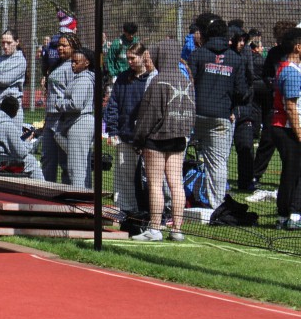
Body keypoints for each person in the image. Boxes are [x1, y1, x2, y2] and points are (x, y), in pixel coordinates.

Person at [132, 39, 196, 241]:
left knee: (155, 185)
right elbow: (192, 112)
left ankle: (155, 228)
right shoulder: (186, 80)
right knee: (176, 184)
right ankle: (177, 229)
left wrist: (138, 140)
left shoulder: (158, 82)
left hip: (157, 140)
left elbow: (147, 116)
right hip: (178, 139)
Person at [188, 13, 248, 208]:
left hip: (195, 114)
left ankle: (172, 201)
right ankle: (217, 205)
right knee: (218, 163)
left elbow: (189, 83)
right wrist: (231, 106)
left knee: (175, 156)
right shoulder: (235, 58)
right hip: (221, 116)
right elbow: (241, 91)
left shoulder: (198, 54)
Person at [105, 42, 154, 220]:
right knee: (123, 175)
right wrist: (112, 131)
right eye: (128, 59)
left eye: (133, 58)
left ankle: (147, 210)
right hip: (124, 135)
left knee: (146, 177)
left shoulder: (152, 78)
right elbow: (113, 105)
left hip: (145, 138)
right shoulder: (123, 77)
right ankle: (125, 209)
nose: (130, 62)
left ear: (143, 56)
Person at [253, 20, 294, 186]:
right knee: (268, 140)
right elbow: (266, 75)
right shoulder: (274, 53)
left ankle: (292, 178)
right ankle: (255, 175)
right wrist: (273, 84)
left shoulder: (296, 52)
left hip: (294, 103)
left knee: (292, 145)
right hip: (275, 104)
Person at [270, 27, 301, 230]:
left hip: (287, 128)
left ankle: (286, 215)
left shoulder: (290, 68)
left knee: (292, 172)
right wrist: (300, 134)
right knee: (293, 173)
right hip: (287, 129)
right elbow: (290, 107)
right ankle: (292, 215)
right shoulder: (291, 72)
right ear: (298, 47)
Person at [54, 47, 96, 188]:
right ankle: (85, 194)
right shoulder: (81, 78)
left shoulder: (83, 80)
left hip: (80, 124)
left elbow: (76, 104)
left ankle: (79, 194)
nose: (73, 64)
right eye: (72, 61)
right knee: (81, 164)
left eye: (76, 62)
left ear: (86, 63)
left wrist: (59, 104)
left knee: (76, 166)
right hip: (80, 123)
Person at [42, 33, 80, 183]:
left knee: (66, 161)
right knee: (47, 159)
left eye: (64, 45)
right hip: (50, 118)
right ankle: (47, 190)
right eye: (59, 45)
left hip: (63, 118)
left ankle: (67, 192)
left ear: (74, 47)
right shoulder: (57, 64)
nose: (60, 48)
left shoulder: (74, 66)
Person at [229, 25, 258, 191]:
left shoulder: (246, 54)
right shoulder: (227, 57)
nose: (241, 43)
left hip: (244, 109)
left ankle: (246, 182)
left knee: (246, 145)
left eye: (243, 41)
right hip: (227, 110)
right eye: (238, 40)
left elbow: (250, 79)